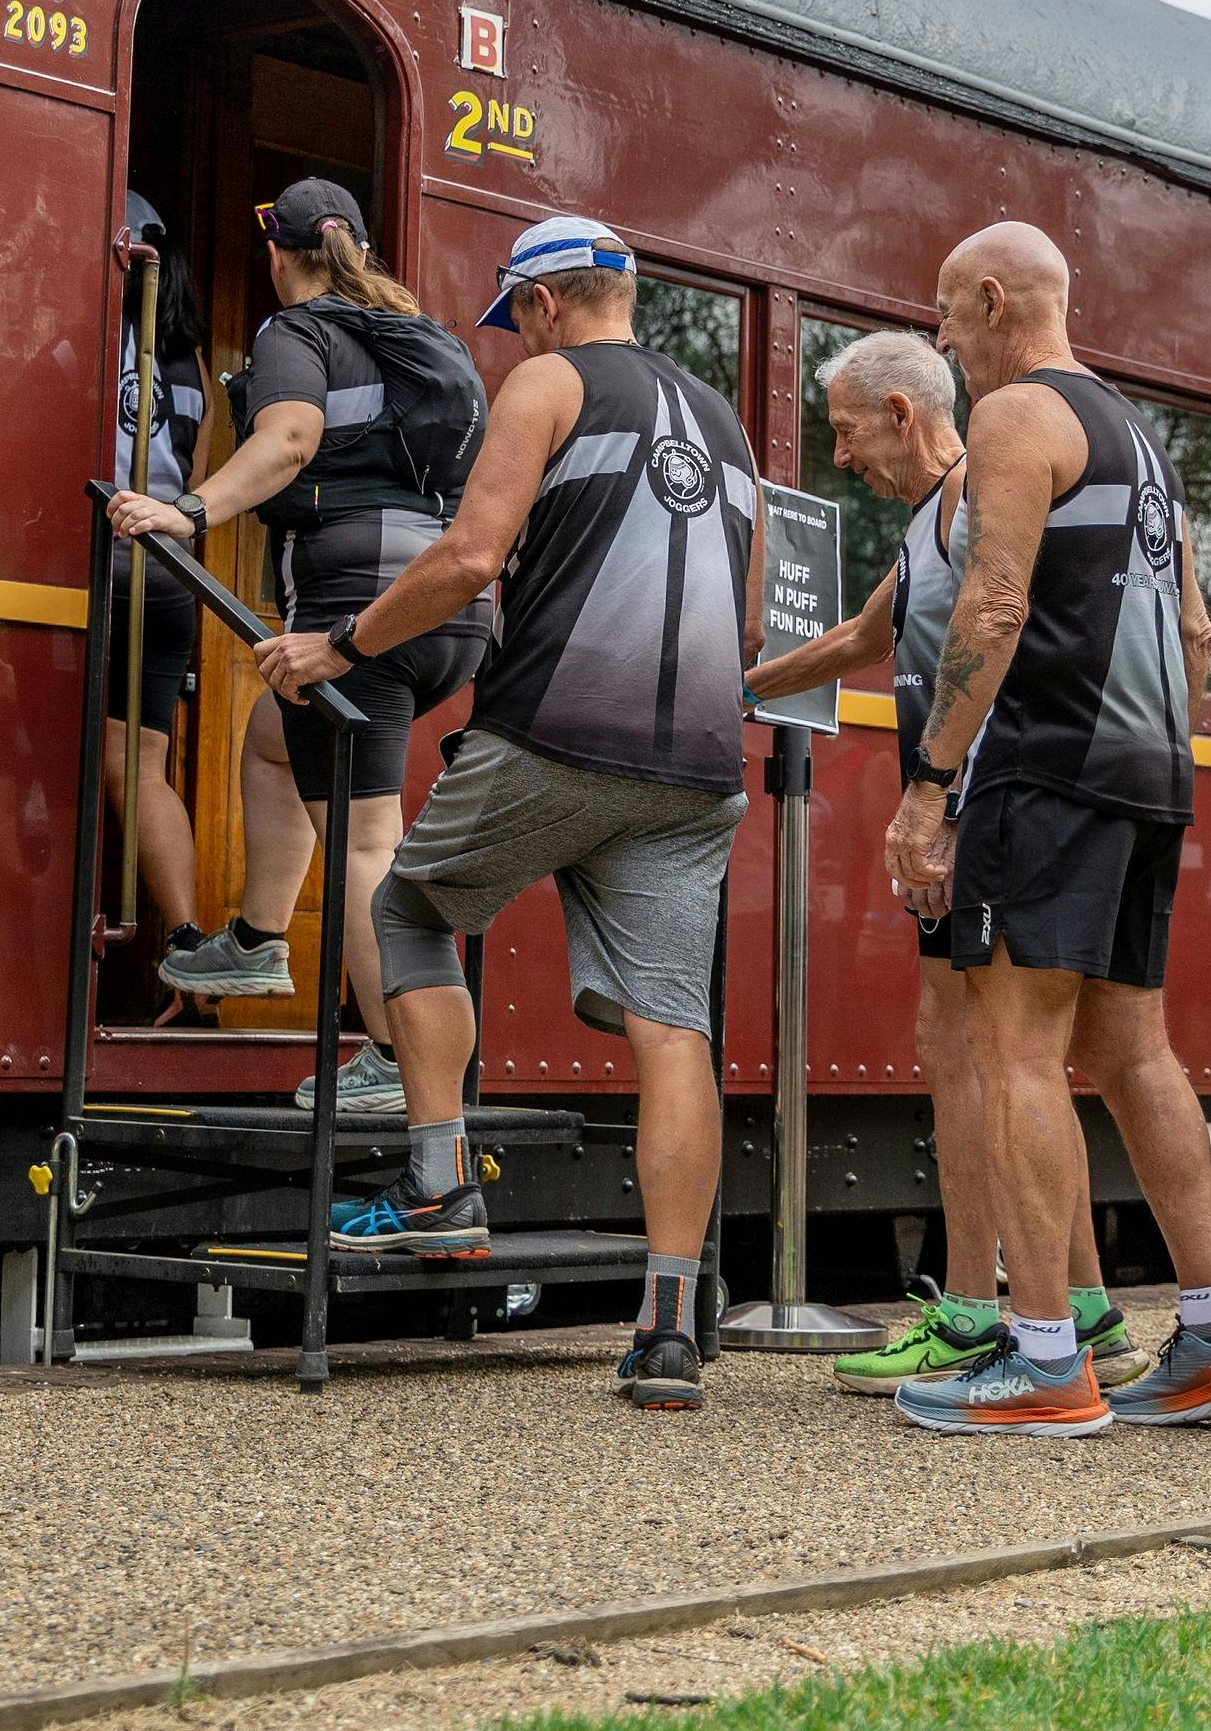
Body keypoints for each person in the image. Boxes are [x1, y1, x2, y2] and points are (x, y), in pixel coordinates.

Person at [258, 214, 760, 1412]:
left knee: (413, 905)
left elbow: (470, 559)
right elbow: (743, 632)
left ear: (540, 307)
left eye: (513, 319)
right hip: (698, 763)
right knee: (672, 1030)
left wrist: (341, 645)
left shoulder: (545, 381)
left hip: (555, 733)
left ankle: (439, 1183)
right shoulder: (726, 422)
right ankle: (670, 1325)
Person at [883, 222, 1211, 1436]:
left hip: (1047, 769)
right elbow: (1195, 636)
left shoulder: (1016, 418)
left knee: (1014, 1049)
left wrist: (928, 783)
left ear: (996, 301)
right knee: (1133, 1052)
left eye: (950, 315)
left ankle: (1049, 1356)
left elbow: (996, 602)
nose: (945, 339)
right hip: (1149, 772)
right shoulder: (1136, 435)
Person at [743, 330, 1151, 1394]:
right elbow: (858, 640)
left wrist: (944, 800)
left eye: (845, 431)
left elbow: (1003, 631)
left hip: (984, 804)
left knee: (975, 1052)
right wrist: (730, 686)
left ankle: (975, 1311)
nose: (841, 458)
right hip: (965, 805)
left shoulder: (981, 496)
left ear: (902, 412)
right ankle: (1093, 1313)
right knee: (976, 1049)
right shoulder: (928, 522)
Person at [110, 180, 495, 1066]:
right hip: (445, 606)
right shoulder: (413, 336)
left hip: (358, 604)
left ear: (278, 256)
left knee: (366, 842)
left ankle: (401, 1065)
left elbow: (288, 439)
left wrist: (191, 512)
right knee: (272, 739)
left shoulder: (297, 331)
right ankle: (256, 942)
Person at [102, 194, 219, 984]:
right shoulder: (193, 356)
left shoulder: (90, 335)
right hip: (172, 567)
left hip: (103, 557)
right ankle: (183, 936)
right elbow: (204, 478)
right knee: (143, 765)